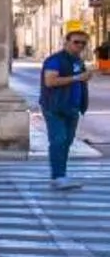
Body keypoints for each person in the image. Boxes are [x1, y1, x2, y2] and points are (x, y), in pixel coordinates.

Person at [40, 25, 92, 190]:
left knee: (67, 141)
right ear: (67, 42)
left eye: (84, 43)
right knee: (58, 140)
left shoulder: (77, 61)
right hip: (55, 107)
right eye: (76, 42)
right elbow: (50, 81)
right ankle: (58, 177)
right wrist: (78, 78)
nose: (80, 46)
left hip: (72, 107)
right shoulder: (55, 60)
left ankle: (61, 175)